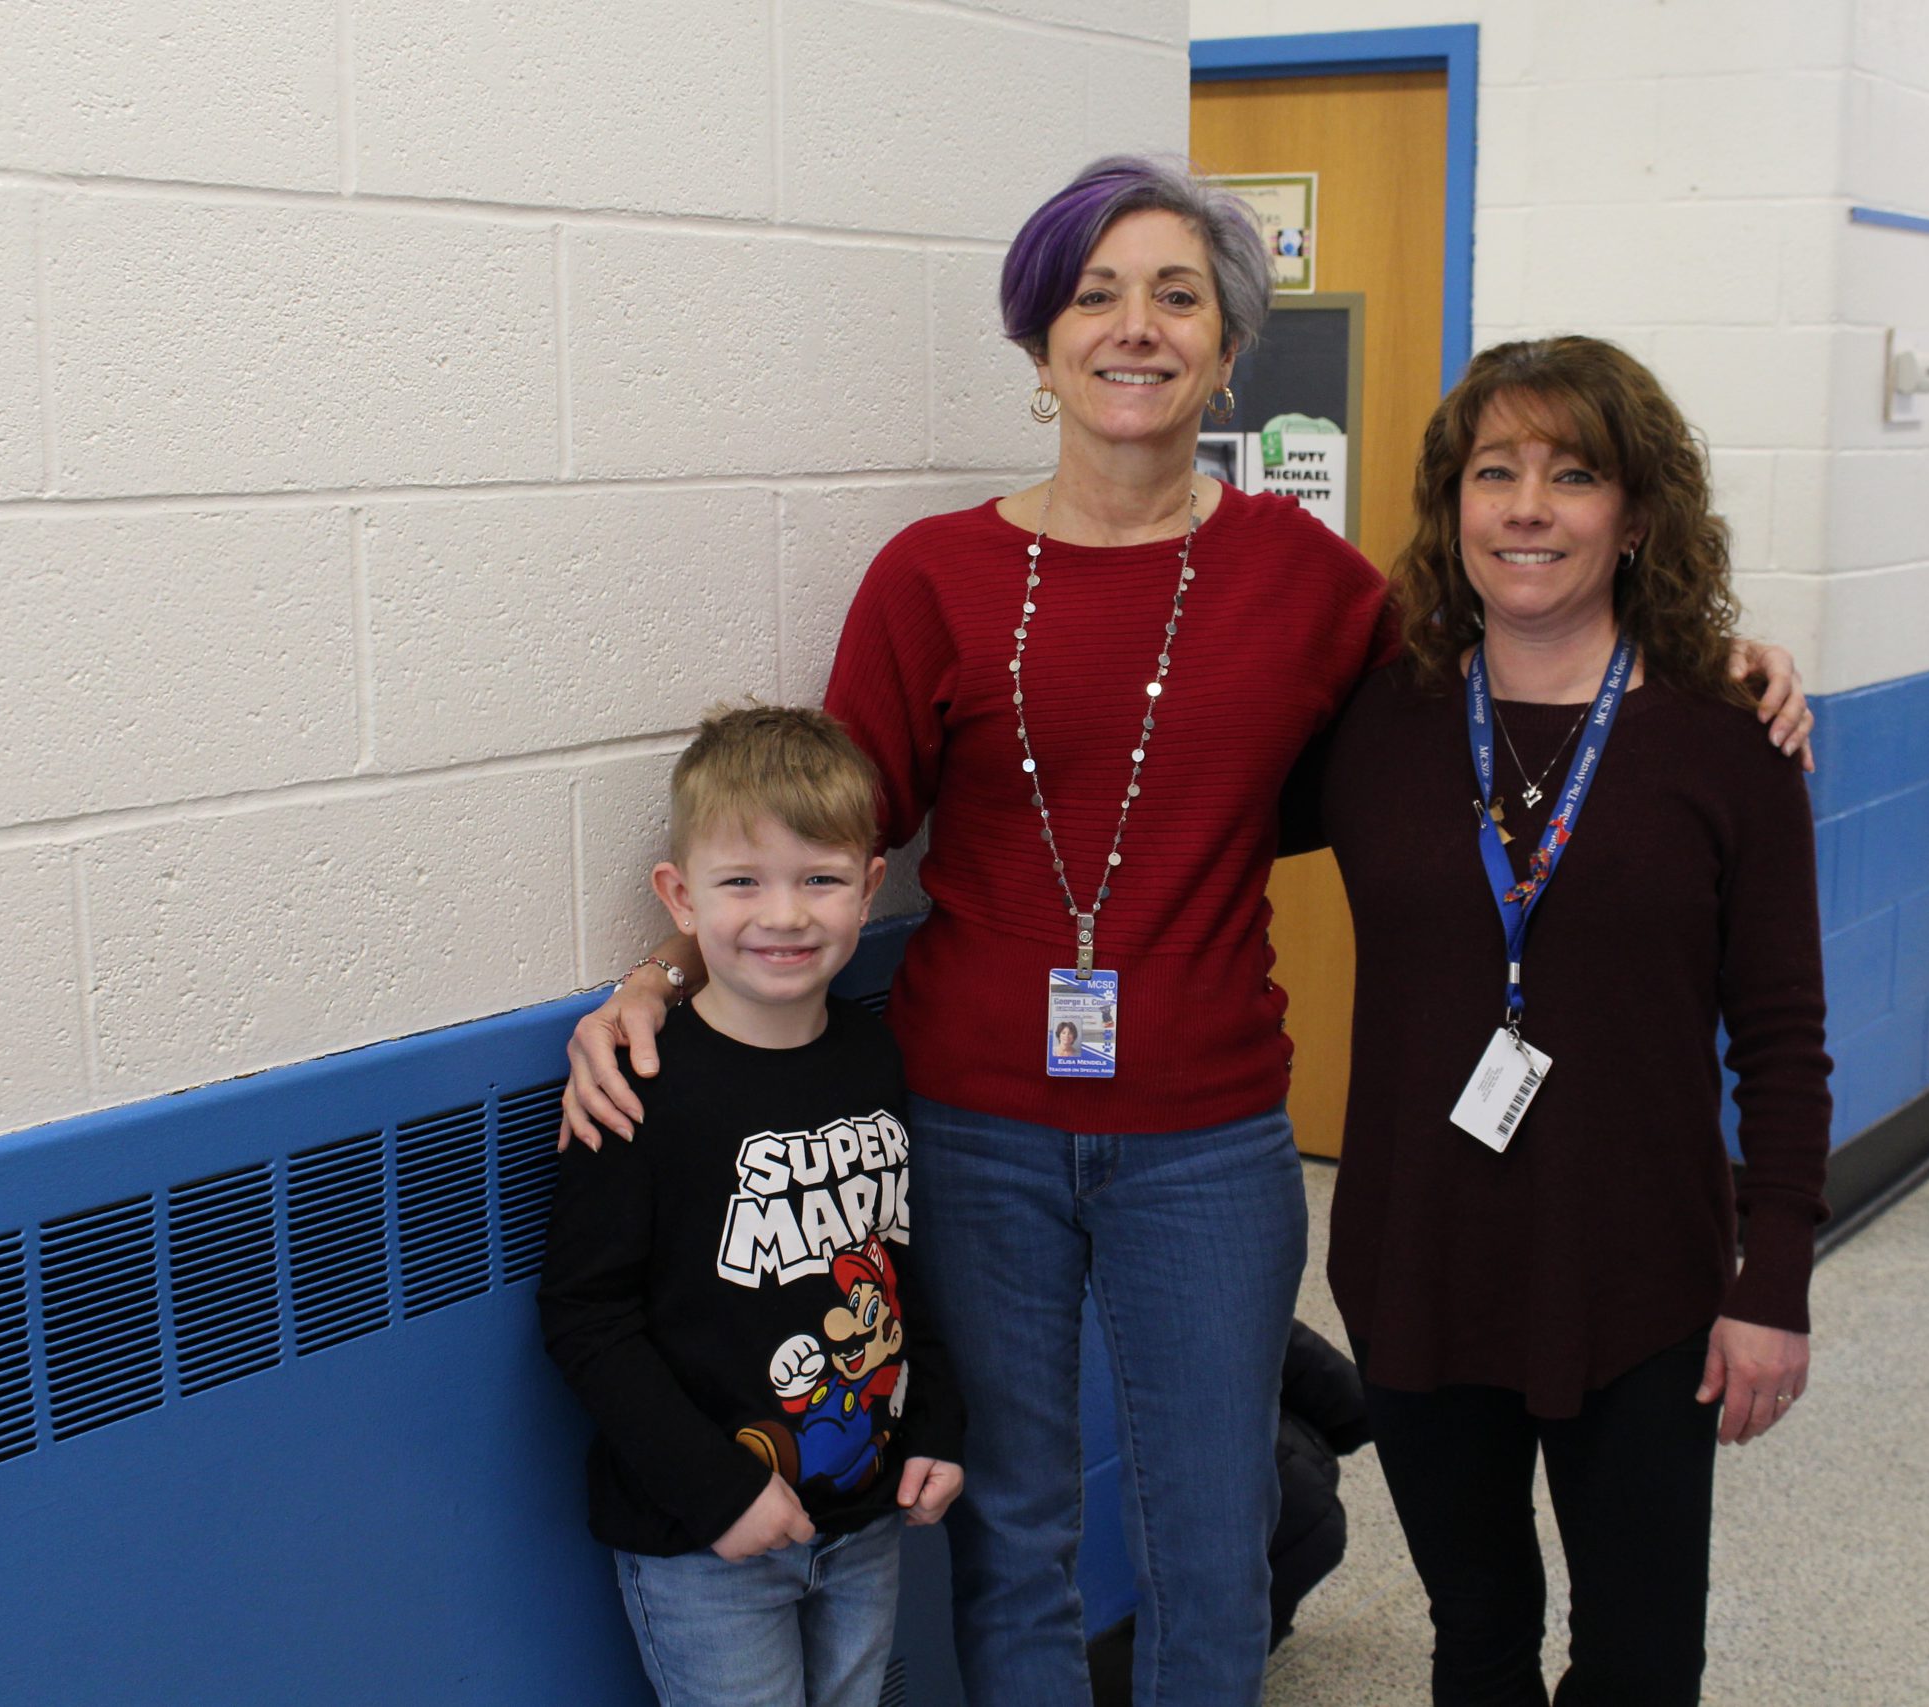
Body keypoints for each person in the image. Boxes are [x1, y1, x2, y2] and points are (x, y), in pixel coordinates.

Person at [560, 158, 1815, 1707]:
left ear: (1228, 350)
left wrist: (1719, 662)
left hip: (1210, 1128)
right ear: (1039, 347)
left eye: (1178, 297)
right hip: (976, 1117)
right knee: (1013, 1525)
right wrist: (658, 971)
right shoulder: (932, 578)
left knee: (1210, 1535)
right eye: (1094, 295)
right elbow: (818, 832)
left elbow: (1513, 674)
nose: (1134, 328)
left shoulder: (1317, 588)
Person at [1319, 337, 1833, 1705]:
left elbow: (1784, 1035)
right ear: (1454, 506)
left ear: (1639, 512)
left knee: (1640, 1652)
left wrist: (1771, 1277)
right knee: (1477, 1631)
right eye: (1496, 472)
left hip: (1644, 1274)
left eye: (1573, 473)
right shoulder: (1379, 715)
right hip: (1418, 1255)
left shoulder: (1728, 737)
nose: (1529, 506)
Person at [537, 705, 966, 1707]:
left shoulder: (878, 1058)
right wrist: (716, 1492)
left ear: (868, 891)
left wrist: (937, 1424)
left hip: (864, 1516)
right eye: (743, 883)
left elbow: (912, 1269)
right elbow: (585, 1317)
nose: (784, 915)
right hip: (704, 1540)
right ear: (679, 898)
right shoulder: (633, 1088)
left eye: (819, 880)